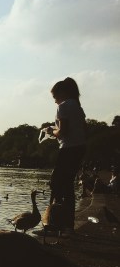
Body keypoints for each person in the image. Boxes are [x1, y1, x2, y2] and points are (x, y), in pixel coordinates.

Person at [45, 77, 86, 232]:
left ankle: (55, 224)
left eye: (55, 97)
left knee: (57, 184)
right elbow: (82, 129)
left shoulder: (64, 106)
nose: (55, 101)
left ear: (62, 93)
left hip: (69, 148)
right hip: (79, 147)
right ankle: (66, 224)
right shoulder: (77, 106)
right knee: (67, 185)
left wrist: (51, 131)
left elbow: (63, 132)